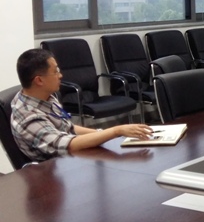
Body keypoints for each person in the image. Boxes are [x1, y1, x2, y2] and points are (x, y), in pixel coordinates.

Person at [10, 49, 152, 162]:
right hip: (49, 172)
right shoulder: (28, 116)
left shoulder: (44, 96)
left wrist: (103, 134)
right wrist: (115, 131)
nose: (60, 75)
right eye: (55, 72)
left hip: (68, 162)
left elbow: (67, 127)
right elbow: (66, 144)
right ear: (39, 80)